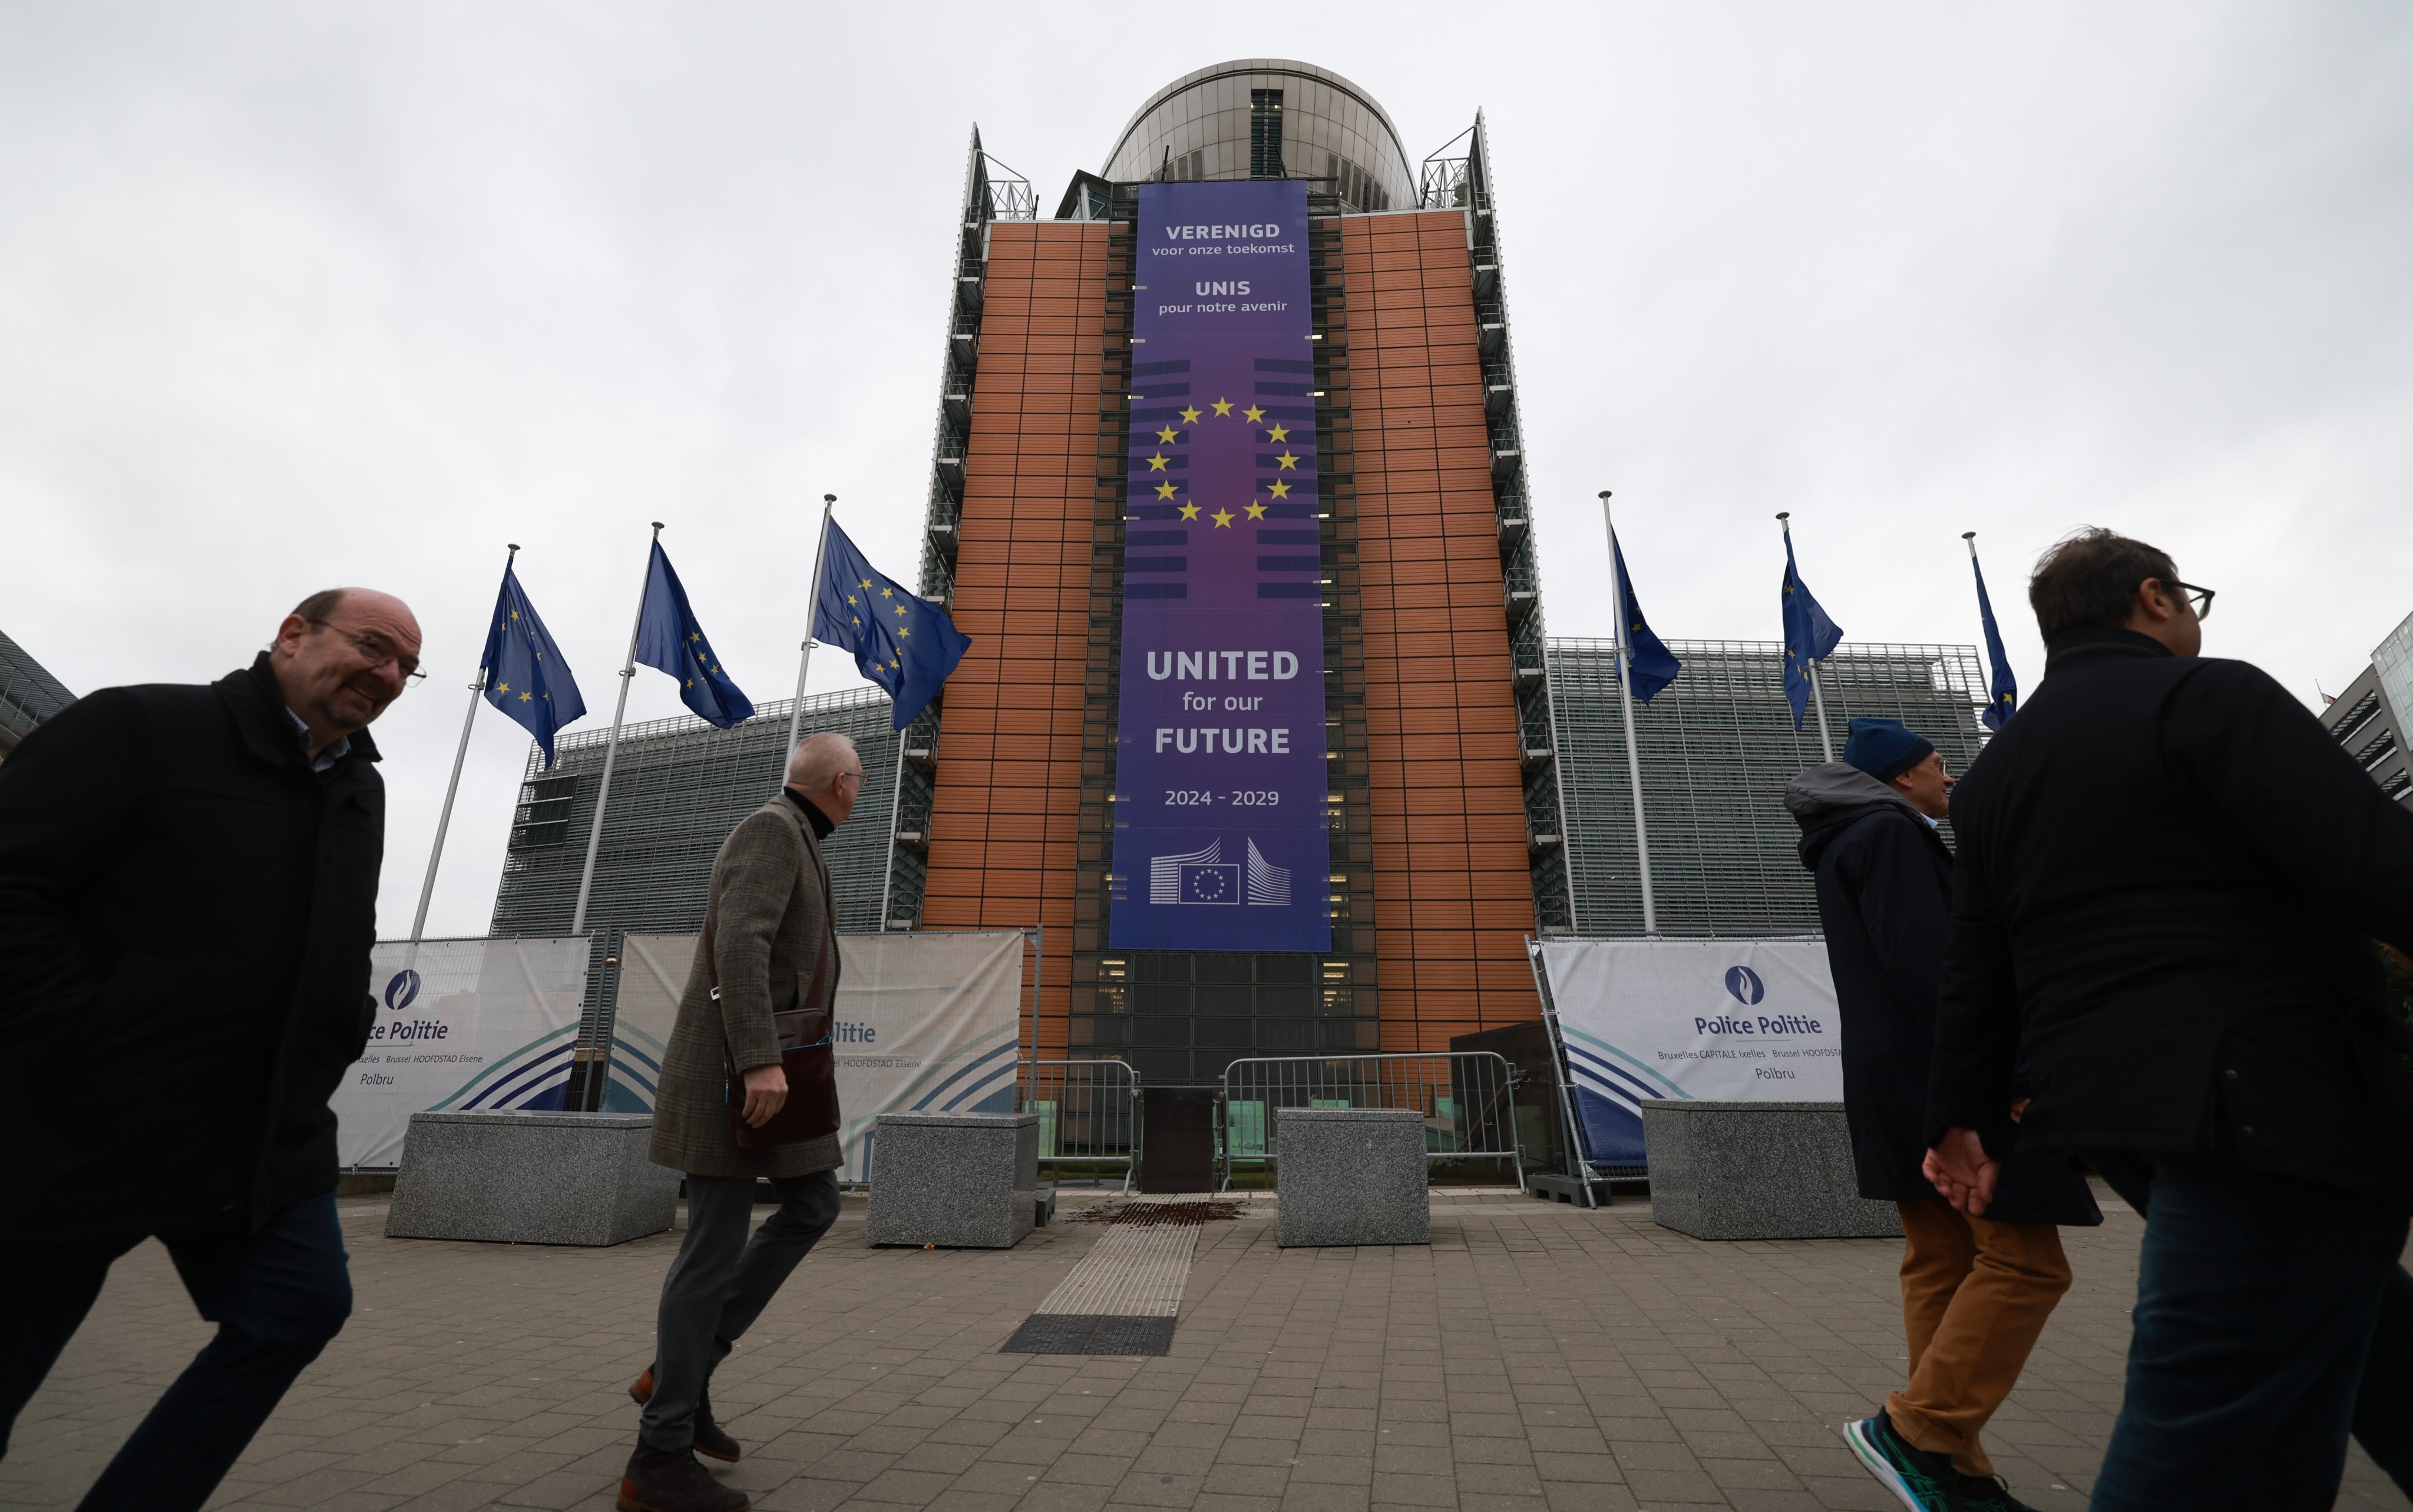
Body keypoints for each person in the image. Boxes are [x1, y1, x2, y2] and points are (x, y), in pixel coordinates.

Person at [1923, 528, 2413, 1510]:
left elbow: (1977, 970)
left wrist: (1960, 1118)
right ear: (2155, 598)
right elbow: (2374, 866)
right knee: (2203, 1430)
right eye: (2188, 598)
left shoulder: (1995, 778)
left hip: (2124, 1116)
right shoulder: (2206, 696)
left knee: (2362, 1346)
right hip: (2273, 1096)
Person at [0, 588, 421, 1511]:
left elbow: (342, 937)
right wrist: (75, 1036)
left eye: (405, 667)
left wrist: (335, 1026)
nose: (389, 675)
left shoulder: (360, 789)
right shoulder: (141, 726)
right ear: (291, 636)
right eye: (373, 647)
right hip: (80, 1127)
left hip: (262, 1137)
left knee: (298, 1312)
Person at [1789, 717, 2098, 1512]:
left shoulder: (1845, 841)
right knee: (2026, 1263)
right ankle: (1918, 1431)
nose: (1949, 779)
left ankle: (1955, 1471)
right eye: (1938, 767)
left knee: (1941, 1263)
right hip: (1950, 1083)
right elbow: (1937, 972)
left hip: (1893, 1081)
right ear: (1900, 780)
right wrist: (2006, 1077)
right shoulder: (1892, 837)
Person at [619, 732, 862, 1512]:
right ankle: (656, 1459)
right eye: (859, 778)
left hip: (778, 1074)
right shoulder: (772, 828)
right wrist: (759, 1058)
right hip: (737, 1077)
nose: (861, 789)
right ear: (843, 781)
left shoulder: (800, 836)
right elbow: (741, 942)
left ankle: (683, 1372)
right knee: (712, 1250)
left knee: (815, 1205)